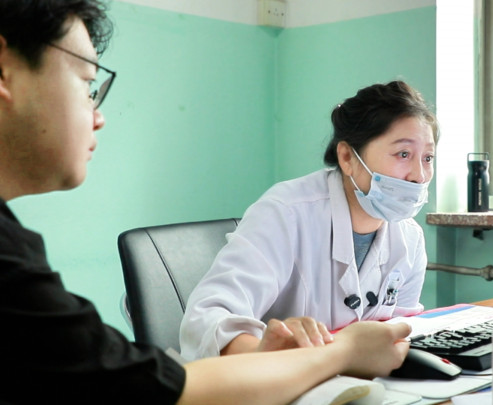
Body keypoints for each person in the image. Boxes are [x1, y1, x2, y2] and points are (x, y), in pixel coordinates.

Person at [0, 1, 411, 403]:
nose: (98, 116)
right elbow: (154, 388)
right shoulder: (288, 208)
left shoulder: (405, 231)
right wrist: (341, 351)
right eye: (86, 85)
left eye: (428, 157)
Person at [180, 80, 438, 359]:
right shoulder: (285, 213)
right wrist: (267, 353)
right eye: (403, 154)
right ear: (347, 157)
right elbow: (206, 319)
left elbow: (401, 331)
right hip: (276, 378)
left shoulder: (410, 238)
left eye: (427, 158)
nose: (419, 175)